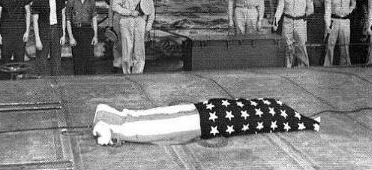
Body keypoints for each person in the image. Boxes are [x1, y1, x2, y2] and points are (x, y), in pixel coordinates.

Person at [92, 98, 320, 146]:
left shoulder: (273, 106)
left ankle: (110, 120)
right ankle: (112, 124)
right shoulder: (273, 107)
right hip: (205, 116)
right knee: (155, 127)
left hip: (205, 112)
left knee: (155, 119)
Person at [112, 0, 155, 74]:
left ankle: (138, 74)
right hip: (126, 21)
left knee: (139, 50)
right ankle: (126, 73)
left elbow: (151, 8)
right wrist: (129, 12)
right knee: (126, 50)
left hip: (140, 21)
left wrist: (148, 26)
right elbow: (115, 6)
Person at [273, 0, 314, 68]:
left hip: (300, 22)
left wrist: (304, 15)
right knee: (288, 46)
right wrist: (275, 22)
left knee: (301, 46)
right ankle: (288, 68)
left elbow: (311, 9)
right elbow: (279, 9)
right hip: (287, 22)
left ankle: (304, 68)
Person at [32, 0, 66, 76]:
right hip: (44, 31)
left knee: (56, 59)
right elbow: (35, 21)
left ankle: (55, 84)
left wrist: (63, 34)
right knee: (41, 59)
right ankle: (40, 84)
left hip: (56, 30)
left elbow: (63, 15)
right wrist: (37, 39)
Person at [66, 0, 98, 75]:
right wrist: (71, 37)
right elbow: (68, 20)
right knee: (77, 59)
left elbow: (94, 18)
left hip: (87, 30)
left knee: (89, 59)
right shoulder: (71, 0)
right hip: (76, 30)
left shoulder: (91, 1)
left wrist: (95, 35)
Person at [324, 0, 356, 66]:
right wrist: (327, 25)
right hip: (334, 21)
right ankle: (327, 67)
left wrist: (349, 10)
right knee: (330, 45)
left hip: (345, 21)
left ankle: (345, 66)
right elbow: (327, 11)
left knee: (345, 46)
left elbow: (353, 3)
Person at [108, 0, 128, 73]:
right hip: (117, 19)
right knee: (116, 42)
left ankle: (128, 64)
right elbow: (111, 9)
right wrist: (110, 24)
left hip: (128, 19)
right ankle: (116, 64)